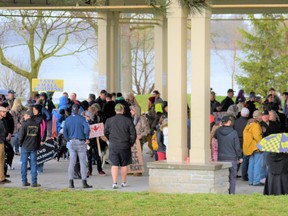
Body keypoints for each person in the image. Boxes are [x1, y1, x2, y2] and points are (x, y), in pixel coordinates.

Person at [104, 104, 136, 189]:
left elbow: (105, 132)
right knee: (124, 165)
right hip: (125, 145)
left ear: (115, 110)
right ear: (123, 110)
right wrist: (131, 143)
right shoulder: (128, 120)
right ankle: (123, 182)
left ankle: (114, 183)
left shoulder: (109, 120)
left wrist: (110, 139)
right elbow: (133, 134)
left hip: (113, 145)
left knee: (114, 164)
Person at [63, 104, 92, 189]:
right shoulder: (82, 119)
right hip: (81, 141)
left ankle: (71, 183)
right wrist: (87, 138)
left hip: (71, 141)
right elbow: (87, 129)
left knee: (72, 162)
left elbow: (64, 131)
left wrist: (68, 139)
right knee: (83, 163)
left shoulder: (67, 119)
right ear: (79, 110)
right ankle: (84, 182)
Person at [214, 115, 242, 194]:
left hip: (221, 158)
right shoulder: (234, 132)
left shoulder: (218, 131)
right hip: (232, 158)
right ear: (229, 122)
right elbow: (237, 146)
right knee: (232, 178)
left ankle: (222, 192)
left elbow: (215, 138)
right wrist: (240, 157)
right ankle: (231, 193)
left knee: (222, 176)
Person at [18, 110, 41, 187]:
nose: (24, 116)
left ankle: (24, 181)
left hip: (25, 146)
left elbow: (20, 136)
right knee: (33, 164)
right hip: (34, 146)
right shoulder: (37, 124)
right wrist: (37, 146)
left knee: (24, 164)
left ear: (28, 116)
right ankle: (34, 182)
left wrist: (20, 144)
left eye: (25, 115)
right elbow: (38, 137)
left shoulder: (24, 124)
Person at [243, 110, 265, 186]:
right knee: (257, 164)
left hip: (249, 147)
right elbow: (258, 137)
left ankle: (251, 180)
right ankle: (256, 181)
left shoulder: (248, 124)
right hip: (255, 147)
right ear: (258, 116)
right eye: (261, 115)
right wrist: (261, 147)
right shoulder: (255, 125)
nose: (262, 117)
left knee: (251, 164)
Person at [234, 107, 250, 181]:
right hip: (245, 141)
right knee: (245, 158)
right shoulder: (248, 123)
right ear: (248, 114)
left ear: (240, 113)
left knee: (238, 158)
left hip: (237, 141)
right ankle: (244, 175)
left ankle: (234, 173)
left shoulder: (236, 121)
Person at [0, 106, 11, 184]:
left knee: (2, 160)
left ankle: (2, 177)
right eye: (3, 112)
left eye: (6, 112)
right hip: (0, 142)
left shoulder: (2, 120)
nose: (5, 113)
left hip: (2, 141)